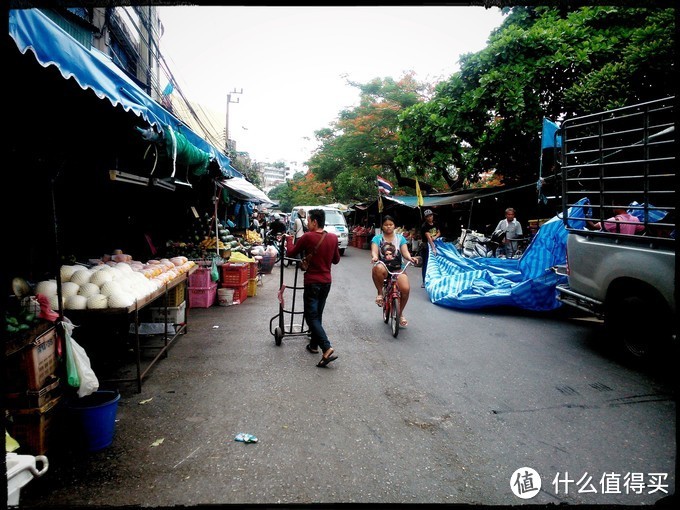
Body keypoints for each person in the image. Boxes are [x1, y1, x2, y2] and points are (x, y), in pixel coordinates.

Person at [285, 208, 341, 367]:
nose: (307, 224)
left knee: (311, 317)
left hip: (312, 282)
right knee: (318, 314)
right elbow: (336, 260)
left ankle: (326, 347)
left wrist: (289, 239)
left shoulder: (308, 237)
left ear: (315, 222)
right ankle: (314, 345)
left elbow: (291, 252)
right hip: (326, 282)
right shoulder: (332, 238)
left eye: (308, 221)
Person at [371, 215, 420, 328]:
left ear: (394, 226)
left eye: (391, 224)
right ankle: (379, 293)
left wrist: (410, 258)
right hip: (384, 266)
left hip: (398, 268)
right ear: (382, 226)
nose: (388, 227)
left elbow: (405, 252)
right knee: (377, 268)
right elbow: (374, 251)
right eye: (386, 225)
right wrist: (374, 257)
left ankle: (400, 313)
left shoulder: (400, 238)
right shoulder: (377, 239)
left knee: (405, 289)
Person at [419, 209, 441, 288]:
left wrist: (435, 237)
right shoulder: (424, 226)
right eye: (428, 216)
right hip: (426, 246)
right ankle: (424, 281)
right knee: (426, 264)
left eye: (431, 215)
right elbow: (428, 238)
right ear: (425, 218)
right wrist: (433, 248)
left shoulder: (435, 223)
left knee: (435, 264)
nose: (430, 218)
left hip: (435, 244)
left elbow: (439, 232)